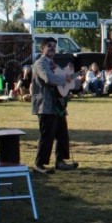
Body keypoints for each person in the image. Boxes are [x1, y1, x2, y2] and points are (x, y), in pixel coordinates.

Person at [32, 37, 78, 174]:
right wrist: (65, 78)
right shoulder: (40, 63)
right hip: (45, 105)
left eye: (54, 46)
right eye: (49, 45)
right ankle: (39, 164)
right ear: (42, 48)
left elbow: (65, 80)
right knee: (47, 136)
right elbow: (49, 78)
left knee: (62, 134)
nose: (52, 48)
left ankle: (60, 161)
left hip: (58, 105)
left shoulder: (54, 64)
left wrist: (70, 72)